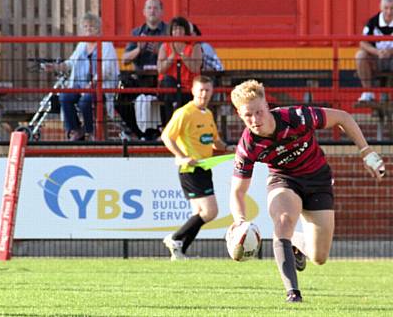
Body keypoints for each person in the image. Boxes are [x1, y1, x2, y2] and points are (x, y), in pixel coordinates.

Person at [228, 80, 385, 302]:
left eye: (259, 112)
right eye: (248, 116)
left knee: (319, 257)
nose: (255, 120)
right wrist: (240, 220)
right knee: (282, 221)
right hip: (283, 180)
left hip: (318, 180)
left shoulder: (297, 117)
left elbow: (343, 117)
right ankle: (293, 293)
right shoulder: (248, 145)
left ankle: (295, 242)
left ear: (267, 104)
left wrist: (366, 152)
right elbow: (237, 192)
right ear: (239, 114)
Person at [161, 76, 234, 259]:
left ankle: (180, 252)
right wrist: (182, 157)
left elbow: (214, 141)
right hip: (191, 169)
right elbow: (166, 137)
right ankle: (175, 237)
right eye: (200, 90)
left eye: (207, 90)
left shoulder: (207, 114)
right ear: (193, 91)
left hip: (204, 167)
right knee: (211, 212)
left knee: (199, 213)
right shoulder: (184, 113)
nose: (204, 94)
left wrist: (228, 148)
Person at [45, 13, 119, 140]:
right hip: (79, 85)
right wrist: (55, 67)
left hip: (98, 86)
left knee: (85, 100)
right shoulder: (81, 45)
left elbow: (107, 69)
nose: (88, 30)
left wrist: (92, 83)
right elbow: (71, 62)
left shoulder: (106, 45)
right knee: (64, 97)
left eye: (92, 27)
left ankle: (91, 131)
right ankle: (75, 129)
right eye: (85, 27)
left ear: (98, 29)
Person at [117, 0, 168, 140]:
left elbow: (175, 55)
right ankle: (139, 134)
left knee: (171, 94)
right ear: (144, 12)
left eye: (156, 8)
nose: (152, 11)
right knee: (119, 99)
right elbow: (125, 59)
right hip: (140, 79)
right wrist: (139, 49)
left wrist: (160, 52)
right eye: (149, 8)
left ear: (162, 12)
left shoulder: (168, 31)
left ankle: (163, 133)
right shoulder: (136, 33)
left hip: (161, 78)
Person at [156, 17, 203, 127]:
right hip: (168, 90)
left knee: (178, 96)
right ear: (171, 31)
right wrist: (172, 57)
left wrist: (183, 56)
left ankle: (173, 126)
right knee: (168, 83)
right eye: (175, 29)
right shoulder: (165, 46)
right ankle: (169, 126)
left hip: (187, 88)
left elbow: (196, 68)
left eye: (181, 29)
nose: (178, 32)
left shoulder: (194, 46)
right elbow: (160, 69)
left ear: (186, 31)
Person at [355, 0, 393, 102]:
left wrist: (390, 51)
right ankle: (367, 92)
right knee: (360, 55)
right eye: (386, 8)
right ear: (381, 7)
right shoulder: (372, 22)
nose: (389, 12)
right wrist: (377, 52)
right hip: (376, 60)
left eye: (392, 8)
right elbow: (363, 42)